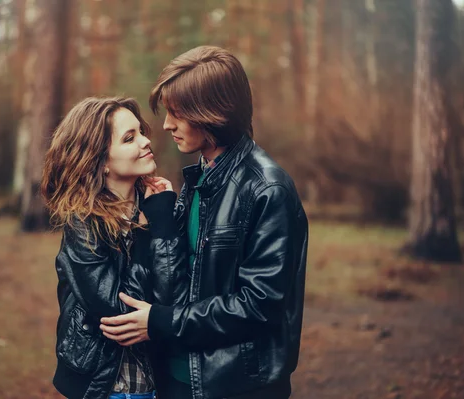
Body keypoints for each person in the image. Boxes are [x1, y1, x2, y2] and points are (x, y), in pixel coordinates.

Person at [99, 46, 309, 399]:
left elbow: (259, 306)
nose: (166, 125)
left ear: (212, 114)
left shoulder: (267, 189)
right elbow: (182, 280)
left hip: (237, 386)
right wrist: (163, 218)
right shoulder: (200, 178)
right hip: (179, 378)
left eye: (177, 114)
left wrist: (160, 322)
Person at [41, 96, 185, 399]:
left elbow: (176, 295)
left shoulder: (159, 207)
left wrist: (160, 219)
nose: (147, 141)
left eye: (141, 132)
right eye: (130, 138)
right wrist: (151, 231)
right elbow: (120, 312)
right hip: (107, 387)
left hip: (162, 383)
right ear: (101, 160)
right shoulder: (82, 224)